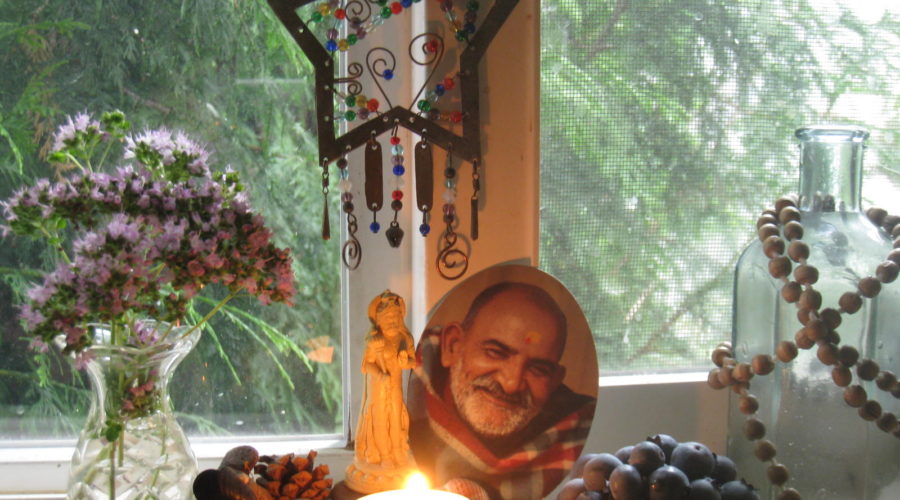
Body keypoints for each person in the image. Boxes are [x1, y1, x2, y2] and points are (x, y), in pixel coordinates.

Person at [408, 282, 596, 500]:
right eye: (495, 352)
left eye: (538, 369)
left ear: (554, 381)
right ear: (453, 346)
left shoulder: (579, 431)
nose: (511, 384)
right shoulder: (396, 396)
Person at [346, 291, 418, 494]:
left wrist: (406, 362)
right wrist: (379, 375)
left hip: (395, 386)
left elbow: (412, 361)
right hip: (378, 388)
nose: (392, 321)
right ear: (378, 319)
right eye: (387, 318)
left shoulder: (405, 338)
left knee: (395, 416)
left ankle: (397, 450)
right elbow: (367, 365)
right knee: (379, 417)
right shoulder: (375, 340)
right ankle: (383, 454)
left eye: (396, 317)